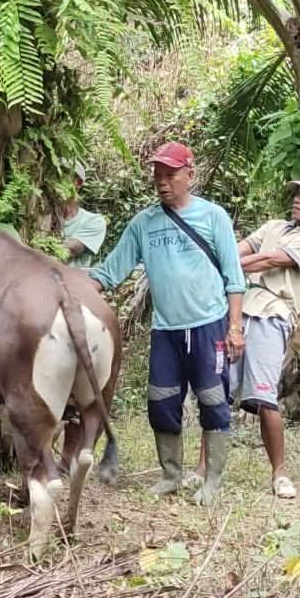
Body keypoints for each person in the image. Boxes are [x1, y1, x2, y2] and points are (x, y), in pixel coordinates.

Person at [87, 142, 247, 506]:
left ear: (190, 175)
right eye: (157, 175)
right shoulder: (144, 224)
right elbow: (110, 271)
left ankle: (212, 480)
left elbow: (235, 278)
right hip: (165, 330)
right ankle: (171, 475)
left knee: (213, 401)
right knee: (161, 402)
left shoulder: (213, 217)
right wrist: (73, 285)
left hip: (209, 326)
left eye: (171, 175)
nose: (162, 181)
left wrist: (235, 327)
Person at [189, 171, 300, 499]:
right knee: (218, 391)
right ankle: (202, 469)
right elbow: (237, 247)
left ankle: (279, 474)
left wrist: (226, 263)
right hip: (238, 309)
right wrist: (220, 255)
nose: (297, 199)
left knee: (264, 397)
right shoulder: (274, 227)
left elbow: (270, 259)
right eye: (297, 192)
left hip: (274, 314)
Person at [60, 162, 108, 270]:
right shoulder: (37, 216)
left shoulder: (94, 221)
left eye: (64, 174)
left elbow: (67, 251)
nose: (56, 180)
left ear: (78, 182)